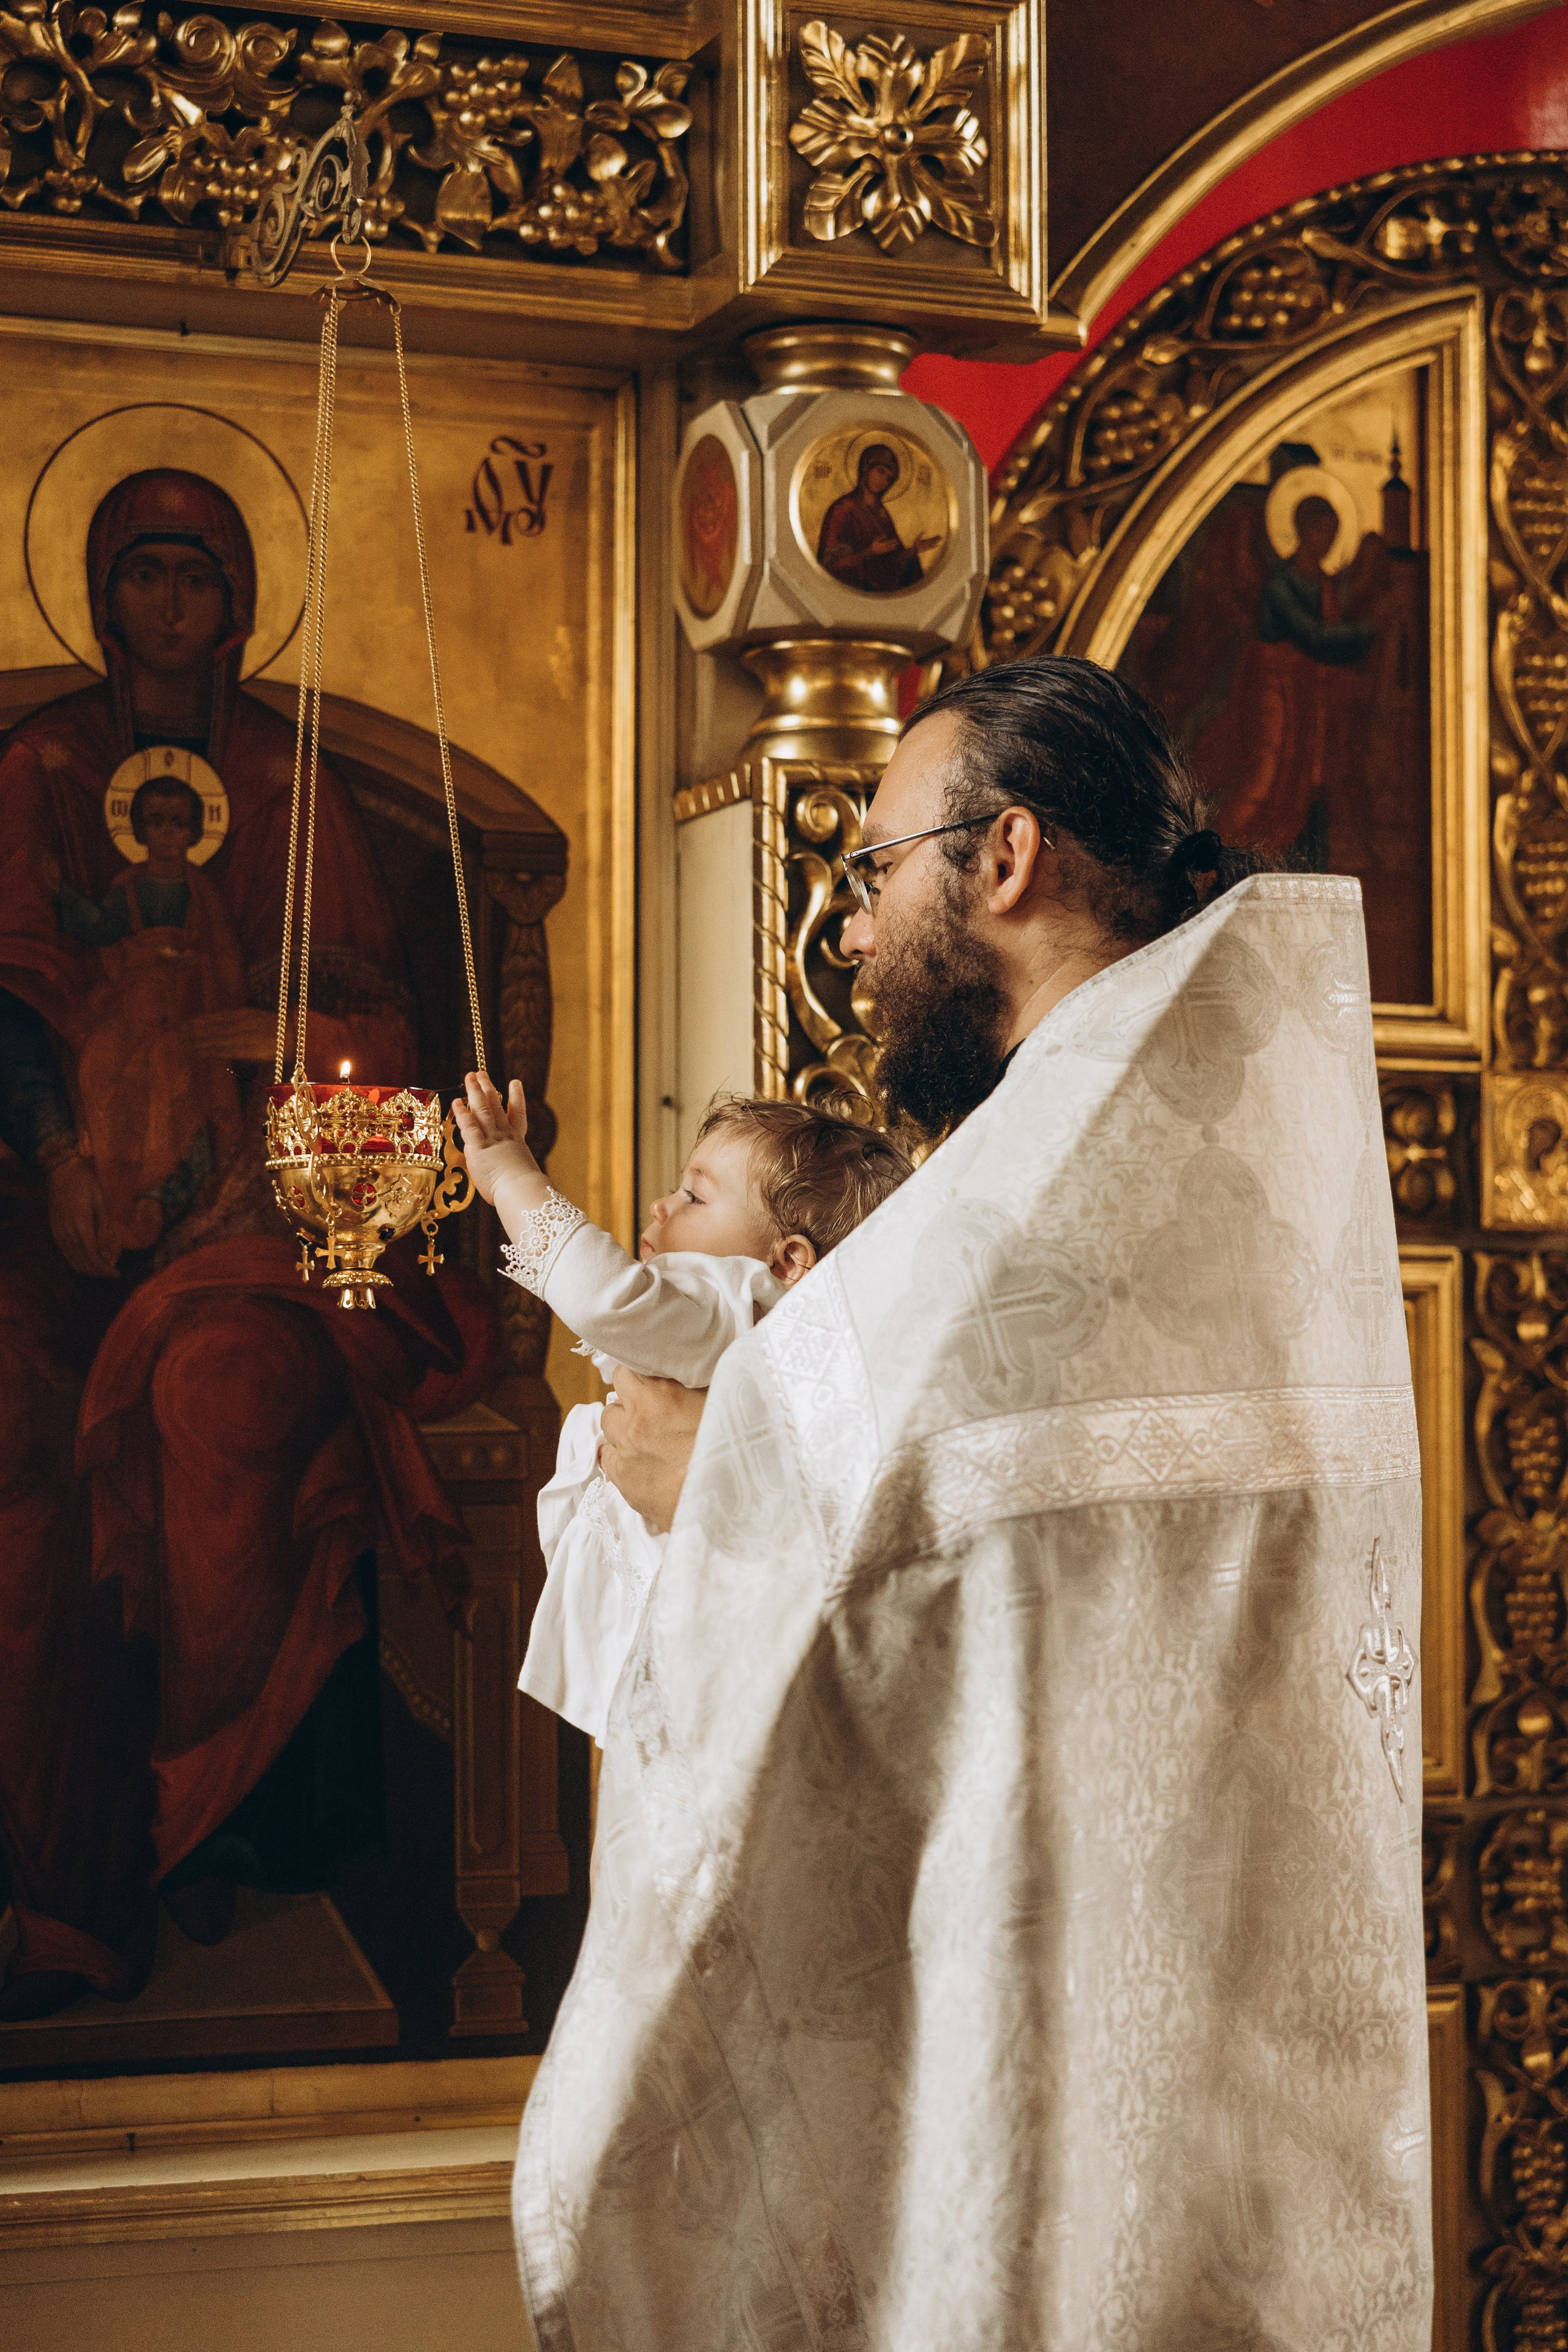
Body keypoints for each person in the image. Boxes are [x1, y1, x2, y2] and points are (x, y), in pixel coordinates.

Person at [514, 656, 1431, 2350]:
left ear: (1001, 859)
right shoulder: (1228, 1161)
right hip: (1227, 2087)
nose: (851, 936)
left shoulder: (991, 1236)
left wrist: (679, 1489)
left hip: (1020, 2075)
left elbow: (762, 1670)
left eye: (875, 871)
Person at [0, 468, 495, 2019]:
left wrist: (263, 1157)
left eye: (193, 576)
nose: (166, 603)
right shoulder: (38, 771)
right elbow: (5, 988)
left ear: (232, 601)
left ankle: (202, 1818)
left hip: (263, 1213)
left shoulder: (286, 785)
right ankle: (53, 1881)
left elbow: (372, 1025)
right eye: (139, 572)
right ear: (96, 589)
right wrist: (67, 1152)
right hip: (46, 1203)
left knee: (221, 1388)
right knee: (17, 1428)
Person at [452, 1074, 912, 1741]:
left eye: (695, 1195)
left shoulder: (738, 1299)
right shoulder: (784, 1336)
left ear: (787, 1263)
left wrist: (509, 1178)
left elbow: (603, 1297)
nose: (662, 1206)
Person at [48, 772, 247, 1258]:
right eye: (156, 823)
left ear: (195, 833)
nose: (167, 835)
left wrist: (192, 966)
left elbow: (224, 959)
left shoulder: (203, 894)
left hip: (186, 1006)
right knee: (99, 1065)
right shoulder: (128, 888)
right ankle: (114, 1194)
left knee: (176, 1078)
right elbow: (99, 928)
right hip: (130, 1000)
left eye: (178, 824)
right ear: (139, 830)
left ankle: (162, 1197)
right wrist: (58, 890)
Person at [815, 443, 941, 593]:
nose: (884, 481)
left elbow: (891, 563)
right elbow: (830, 565)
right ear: (865, 468)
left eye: (889, 479)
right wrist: (869, 553)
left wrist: (914, 551)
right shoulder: (843, 509)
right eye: (880, 472)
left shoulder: (881, 514)